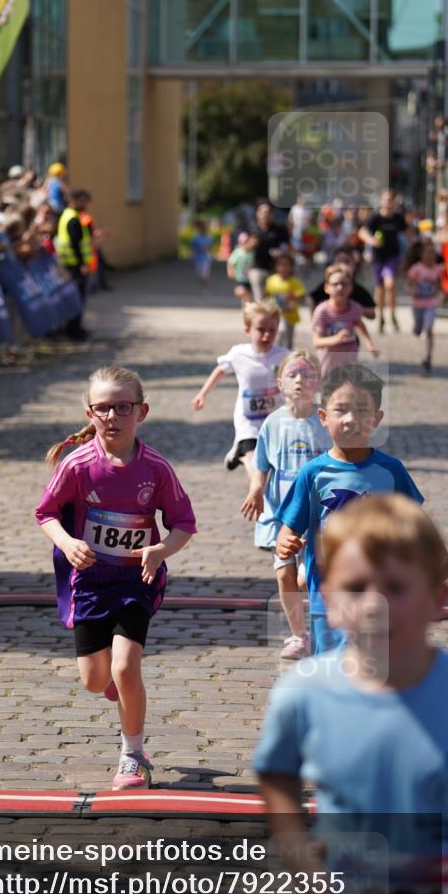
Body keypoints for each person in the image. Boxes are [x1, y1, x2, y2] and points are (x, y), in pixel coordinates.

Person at [254, 494, 448, 894]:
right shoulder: (303, 695)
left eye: (395, 587)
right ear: (327, 602)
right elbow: (276, 774)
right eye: (355, 587)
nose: (373, 604)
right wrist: (297, 852)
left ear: (438, 600)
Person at [35, 366, 196, 790]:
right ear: (90, 413)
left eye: (122, 407)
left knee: (126, 667)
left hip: (135, 583)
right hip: (89, 583)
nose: (112, 416)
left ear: (141, 412)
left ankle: (133, 755)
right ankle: (115, 688)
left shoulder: (156, 469)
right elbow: (46, 513)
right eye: (103, 408)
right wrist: (69, 543)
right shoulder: (77, 465)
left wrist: (161, 550)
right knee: (95, 680)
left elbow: (183, 523)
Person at [274, 363, 426, 654]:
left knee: (374, 674)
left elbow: (415, 524)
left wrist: (431, 560)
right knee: (331, 674)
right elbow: (288, 530)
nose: (351, 419)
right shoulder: (313, 474)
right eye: (340, 410)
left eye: (362, 411)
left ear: (376, 419)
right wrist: (285, 544)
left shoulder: (391, 471)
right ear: (323, 417)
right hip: (328, 599)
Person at [241, 351, 331, 660]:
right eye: (293, 374)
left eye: (307, 375)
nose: (300, 381)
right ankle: (298, 636)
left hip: (318, 516)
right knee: (283, 575)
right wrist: (255, 489)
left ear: (317, 382)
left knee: (307, 578)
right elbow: (262, 465)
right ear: (280, 382)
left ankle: (322, 626)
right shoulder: (272, 423)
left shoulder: (325, 421)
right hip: (281, 516)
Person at [192, 300, 288, 475]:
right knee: (256, 468)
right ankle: (255, 488)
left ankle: (239, 454)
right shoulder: (239, 353)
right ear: (248, 330)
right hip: (248, 420)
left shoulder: (284, 356)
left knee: (272, 466)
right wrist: (202, 394)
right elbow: (220, 370)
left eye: (272, 330)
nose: (266, 335)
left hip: (275, 419)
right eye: (260, 330)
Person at [311, 263, 380, 377]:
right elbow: (316, 342)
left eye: (344, 284)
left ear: (351, 288)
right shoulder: (322, 312)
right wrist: (335, 339)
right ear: (326, 288)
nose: (340, 288)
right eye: (335, 284)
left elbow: (359, 324)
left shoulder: (355, 308)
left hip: (349, 363)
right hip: (328, 366)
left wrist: (369, 343)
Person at [359, 189, 408, 334]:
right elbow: (362, 232)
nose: (388, 203)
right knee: (379, 290)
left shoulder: (398, 218)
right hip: (377, 257)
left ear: (394, 203)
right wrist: (371, 241)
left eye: (391, 201)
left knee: (390, 284)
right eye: (386, 200)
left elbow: (407, 232)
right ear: (381, 201)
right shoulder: (375, 218)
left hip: (392, 256)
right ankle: (381, 316)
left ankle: (393, 313)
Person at [56, 189, 95, 340]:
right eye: (85, 201)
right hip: (74, 265)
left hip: (70, 263)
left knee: (76, 297)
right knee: (77, 298)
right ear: (76, 200)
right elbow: (75, 243)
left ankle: (75, 328)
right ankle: (74, 330)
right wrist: (82, 264)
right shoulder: (73, 218)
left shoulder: (67, 215)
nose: (87, 205)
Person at [406, 238, 443, 375]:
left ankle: (428, 356)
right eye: (427, 253)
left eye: (432, 253)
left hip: (431, 304)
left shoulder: (437, 269)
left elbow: (440, 286)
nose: (430, 256)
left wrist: (442, 294)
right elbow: (408, 284)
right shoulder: (416, 269)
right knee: (417, 329)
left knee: (429, 328)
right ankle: (418, 330)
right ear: (421, 255)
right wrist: (412, 291)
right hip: (417, 305)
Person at [308, 245, 375, 320]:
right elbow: (312, 298)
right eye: (339, 261)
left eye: (347, 261)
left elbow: (372, 313)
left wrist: (355, 310)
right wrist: (316, 319)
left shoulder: (358, 290)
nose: (343, 265)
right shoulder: (329, 285)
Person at [248, 200, 290, 300]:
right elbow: (242, 247)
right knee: (259, 298)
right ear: (258, 214)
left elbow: (286, 246)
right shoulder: (251, 228)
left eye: (269, 212)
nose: (266, 215)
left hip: (274, 268)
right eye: (264, 212)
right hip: (255, 267)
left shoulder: (279, 229)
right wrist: (249, 244)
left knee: (274, 298)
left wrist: (280, 252)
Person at [264, 252, 306, 350]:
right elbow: (266, 296)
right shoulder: (271, 280)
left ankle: (287, 358)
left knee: (288, 340)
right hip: (275, 316)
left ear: (292, 267)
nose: (283, 268)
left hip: (290, 316)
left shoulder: (295, 282)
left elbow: (301, 297)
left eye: (286, 265)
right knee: (276, 337)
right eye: (280, 264)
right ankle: (275, 358)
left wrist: (293, 296)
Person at [226, 231, 255, 308]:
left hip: (250, 278)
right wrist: (230, 271)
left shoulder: (252, 252)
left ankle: (246, 307)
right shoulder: (238, 252)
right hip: (240, 278)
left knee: (249, 295)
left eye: (247, 242)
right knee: (242, 292)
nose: (245, 244)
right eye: (244, 242)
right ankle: (246, 307)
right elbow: (230, 262)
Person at [190, 219, 213, 288]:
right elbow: (193, 248)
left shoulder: (209, 238)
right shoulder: (195, 238)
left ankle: (206, 287)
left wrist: (206, 249)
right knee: (200, 274)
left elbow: (210, 247)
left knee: (205, 274)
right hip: (198, 258)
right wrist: (192, 257)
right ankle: (203, 284)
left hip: (206, 258)